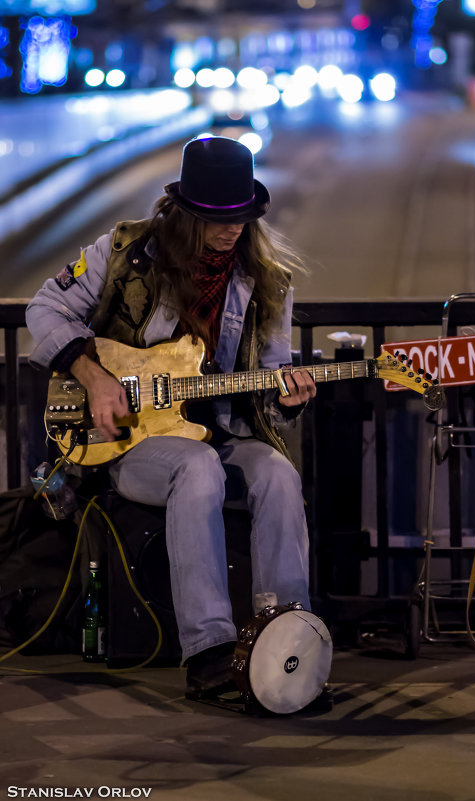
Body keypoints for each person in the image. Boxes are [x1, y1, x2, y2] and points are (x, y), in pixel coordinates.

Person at [26, 136, 317, 700]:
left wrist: (286, 400)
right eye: (216, 218)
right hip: (132, 445)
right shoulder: (124, 252)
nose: (232, 229)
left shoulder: (267, 280)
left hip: (222, 430)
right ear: (185, 213)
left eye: (242, 216)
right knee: (198, 467)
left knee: (279, 474)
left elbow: (275, 374)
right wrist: (96, 377)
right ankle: (208, 650)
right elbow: (45, 307)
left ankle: (286, 641)